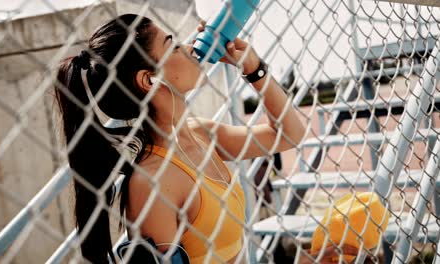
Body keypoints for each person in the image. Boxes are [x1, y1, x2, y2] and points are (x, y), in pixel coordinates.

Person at [54, 13, 305, 263]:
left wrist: (254, 70)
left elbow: (290, 134)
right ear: (148, 80)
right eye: (173, 46)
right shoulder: (152, 182)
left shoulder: (202, 134)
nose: (190, 47)